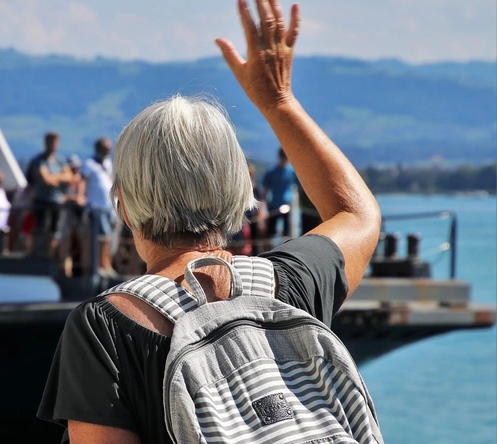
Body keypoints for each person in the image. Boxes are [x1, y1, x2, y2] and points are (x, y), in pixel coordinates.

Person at [37, 1, 382, 442]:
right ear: (239, 190)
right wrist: (279, 101)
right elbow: (355, 213)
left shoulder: (104, 327)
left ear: (123, 206)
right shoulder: (289, 286)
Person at [26, 132, 72, 259]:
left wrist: (54, 177)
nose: (53, 145)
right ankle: (38, 256)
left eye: (55, 142)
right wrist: (60, 177)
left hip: (57, 201)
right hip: (42, 201)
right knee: (41, 229)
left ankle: (49, 256)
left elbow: (69, 177)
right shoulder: (38, 160)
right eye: (50, 142)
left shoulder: (60, 160)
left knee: (54, 231)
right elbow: (46, 180)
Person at [78, 137, 119, 277]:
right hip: (96, 206)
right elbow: (83, 181)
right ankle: (102, 265)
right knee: (104, 236)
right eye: (105, 148)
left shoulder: (107, 163)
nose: (108, 150)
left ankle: (106, 264)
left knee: (109, 237)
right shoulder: (89, 164)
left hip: (109, 206)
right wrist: (80, 196)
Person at [262, 147, 298, 250]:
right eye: (283, 157)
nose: (284, 159)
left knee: (287, 232)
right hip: (274, 205)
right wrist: (263, 206)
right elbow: (265, 190)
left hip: (287, 206)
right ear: (279, 157)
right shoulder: (271, 172)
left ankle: (286, 250)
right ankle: (267, 251)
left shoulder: (292, 172)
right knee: (270, 232)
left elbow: (299, 187)